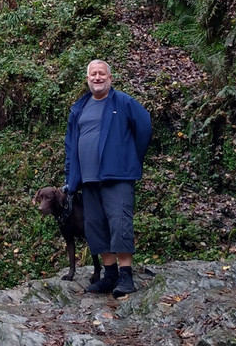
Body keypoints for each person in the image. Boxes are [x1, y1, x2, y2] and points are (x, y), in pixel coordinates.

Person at [64, 59, 152, 297]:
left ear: (110, 78)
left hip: (118, 176)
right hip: (88, 180)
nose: (97, 77)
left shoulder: (123, 102)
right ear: (88, 79)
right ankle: (109, 275)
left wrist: (130, 157)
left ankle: (125, 276)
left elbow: (144, 128)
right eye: (93, 74)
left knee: (119, 223)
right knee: (96, 226)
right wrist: (70, 178)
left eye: (102, 73)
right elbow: (71, 145)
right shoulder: (79, 108)